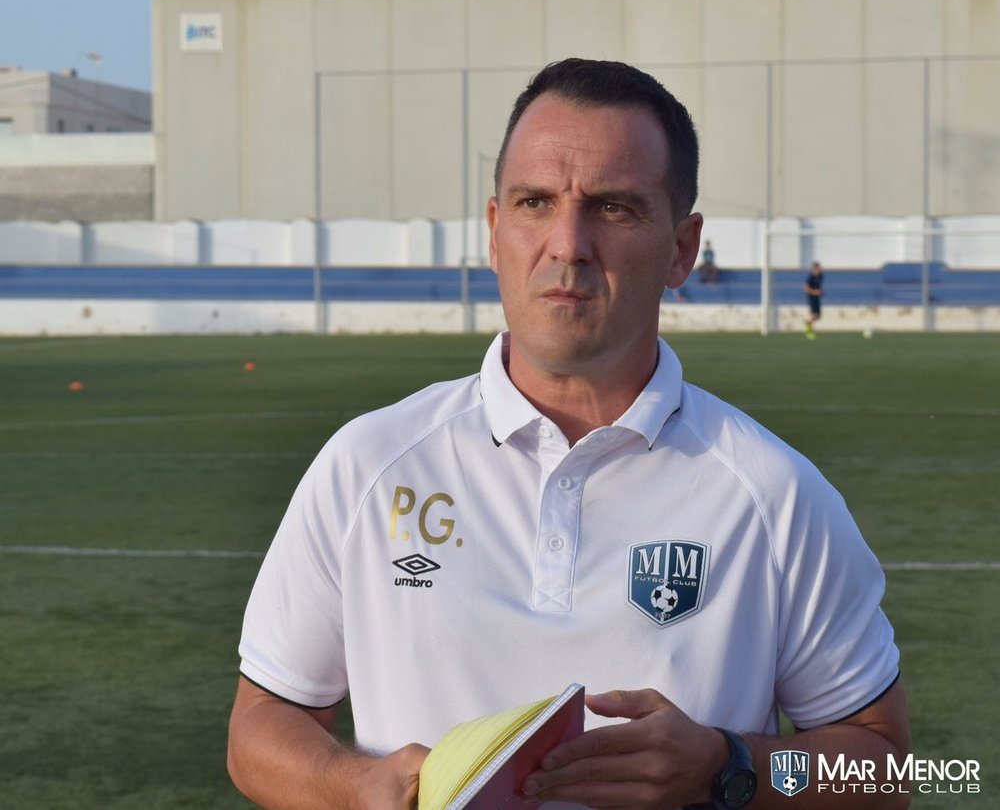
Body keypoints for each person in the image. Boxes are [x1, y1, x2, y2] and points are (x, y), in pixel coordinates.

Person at [228, 59, 909, 810]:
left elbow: (888, 770)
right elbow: (263, 722)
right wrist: (355, 785)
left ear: (683, 248)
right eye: (534, 201)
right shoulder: (367, 466)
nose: (566, 243)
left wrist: (726, 766)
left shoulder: (775, 493)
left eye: (613, 207)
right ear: (495, 232)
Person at [804, 261, 824, 339]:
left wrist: (820, 292)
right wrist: (815, 292)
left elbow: (818, 287)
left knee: (818, 316)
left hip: (817, 298)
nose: (820, 269)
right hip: (811, 298)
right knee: (814, 315)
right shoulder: (810, 277)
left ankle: (808, 324)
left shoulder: (820, 276)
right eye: (818, 268)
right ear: (814, 269)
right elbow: (806, 288)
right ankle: (810, 332)